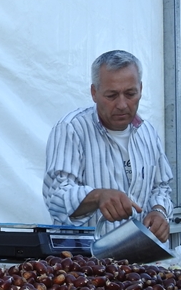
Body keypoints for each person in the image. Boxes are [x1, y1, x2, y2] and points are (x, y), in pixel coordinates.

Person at [42, 50, 174, 242]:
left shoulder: (147, 132)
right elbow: (55, 196)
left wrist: (159, 211)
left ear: (141, 89)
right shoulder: (71, 129)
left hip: (138, 261)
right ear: (94, 93)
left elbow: (161, 186)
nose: (122, 104)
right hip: (84, 263)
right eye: (111, 95)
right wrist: (97, 196)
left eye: (130, 94)